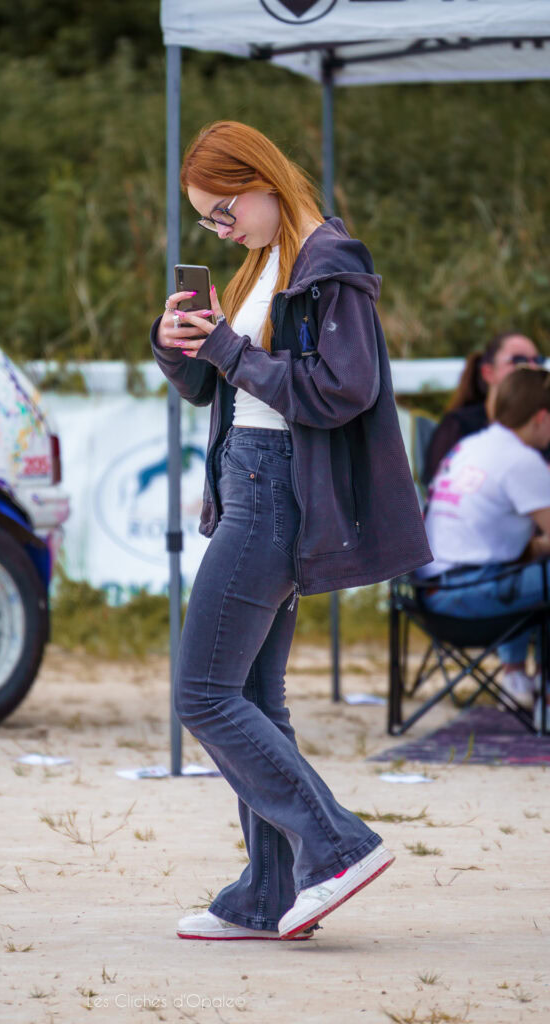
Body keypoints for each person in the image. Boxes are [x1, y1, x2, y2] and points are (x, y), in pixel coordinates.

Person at [150, 121, 431, 942]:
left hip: (274, 490)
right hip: (251, 480)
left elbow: (343, 388)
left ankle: (336, 847)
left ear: (264, 180)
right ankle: (268, 895)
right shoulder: (262, 266)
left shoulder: (326, 262)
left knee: (202, 693)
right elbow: (220, 386)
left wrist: (231, 348)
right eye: (205, 219)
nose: (219, 228)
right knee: (248, 696)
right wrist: (181, 346)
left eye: (223, 209)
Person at [418, 367, 550, 714]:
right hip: (466, 596)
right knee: (539, 577)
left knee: (528, 569)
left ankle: (518, 679)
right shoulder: (522, 461)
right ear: (541, 417)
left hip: (428, 593)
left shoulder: (472, 446)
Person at [421, 332, 544, 488]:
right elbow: (437, 488)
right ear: (488, 372)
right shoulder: (459, 425)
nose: (532, 367)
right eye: (519, 360)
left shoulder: (543, 426)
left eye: (538, 360)